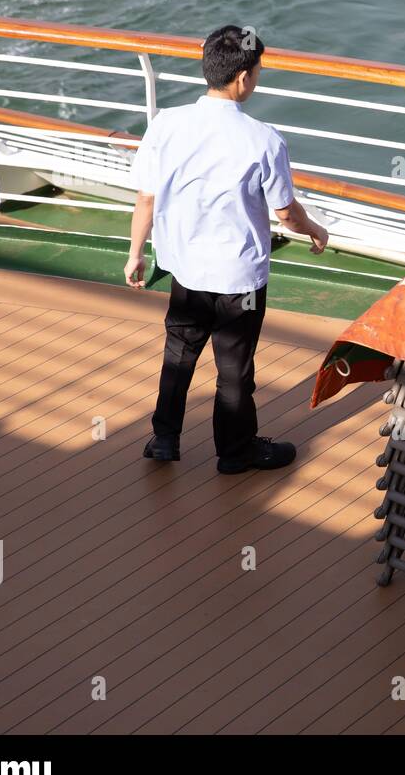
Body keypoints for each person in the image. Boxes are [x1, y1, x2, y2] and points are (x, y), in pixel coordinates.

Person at [124, 25, 330, 474]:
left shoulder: (166, 125)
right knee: (234, 369)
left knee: (179, 352)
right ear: (243, 78)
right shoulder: (264, 140)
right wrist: (316, 230)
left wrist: (136, 252)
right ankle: (235, 454)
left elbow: (146, 197)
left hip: (184, 268)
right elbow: (286, 214)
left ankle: (164, 439)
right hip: (240, 280)